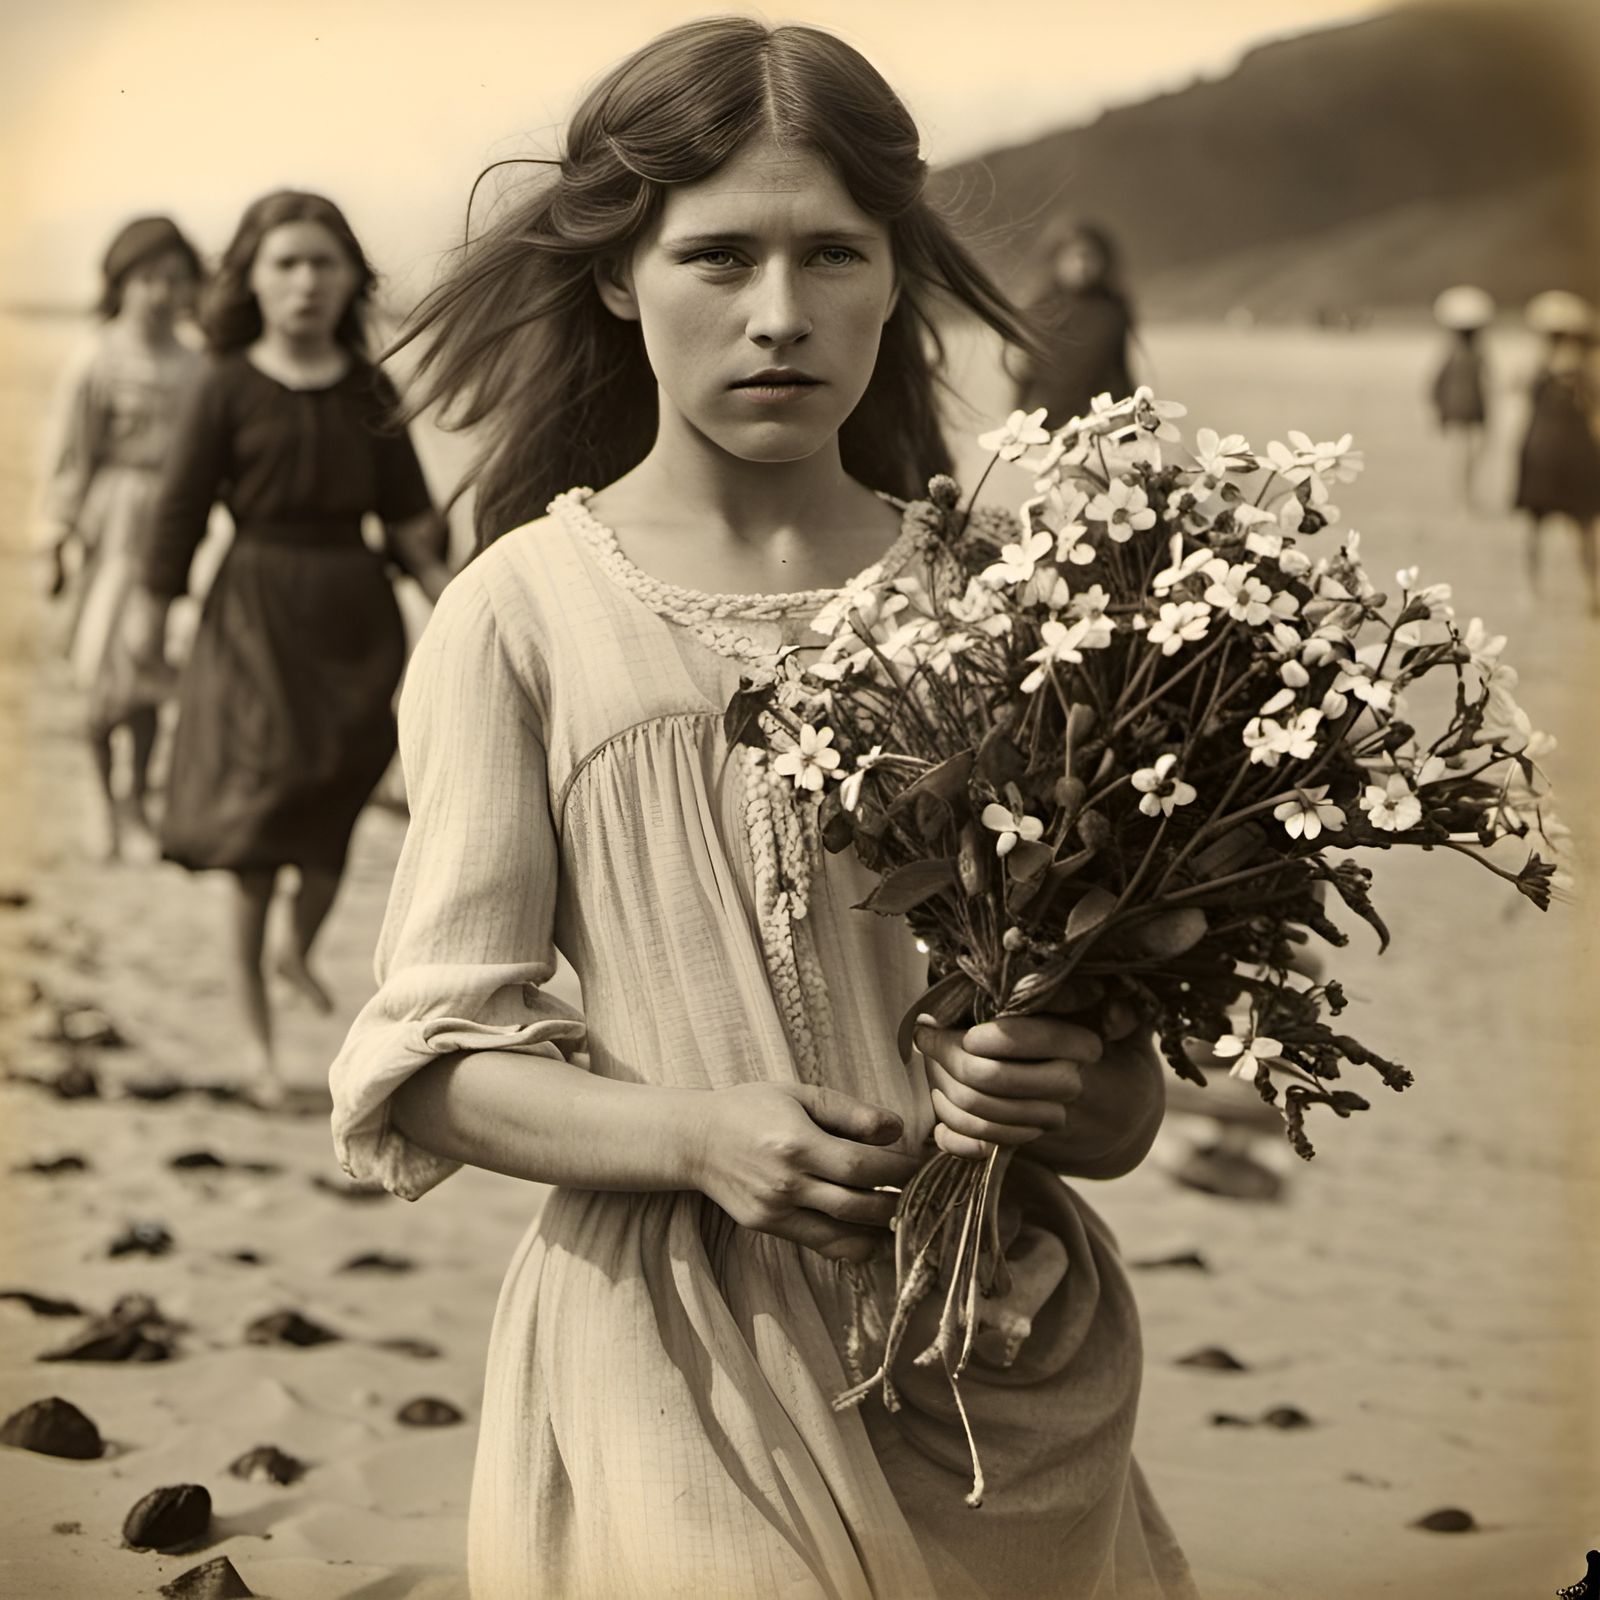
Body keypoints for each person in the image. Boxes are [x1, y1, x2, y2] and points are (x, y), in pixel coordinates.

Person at [330, 21, 1196, 1600]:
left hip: (994, 1365)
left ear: (896, 273)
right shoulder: (523, 614)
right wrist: (690, 1134)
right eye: (718, 256)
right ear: (620, 276)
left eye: (834, 255)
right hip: (673, 1362)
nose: (781, 315)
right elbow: (429, 1069)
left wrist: (1057, 1086)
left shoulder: (1010, 608)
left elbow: (1125, 1114)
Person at [128, 190, 452, 1100]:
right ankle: (258, 1051)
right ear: (252, 279)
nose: (306, 282)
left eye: (323, 262)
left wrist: (460, 605)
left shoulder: (369, 389)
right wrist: (149, 617)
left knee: (333, 803)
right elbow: (178, 513)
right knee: (258, 828)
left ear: (350, 278)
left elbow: (412, 521)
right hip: (254, 615)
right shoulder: (223, 384)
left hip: (354, 622)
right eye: (286, 263)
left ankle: (296, 950)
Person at [39, 216, 203, 861]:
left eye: (175, 280)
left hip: (176, 527)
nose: (161, 294)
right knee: (102, 668)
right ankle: (103, 801)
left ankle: (137, 800)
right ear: (121, 283)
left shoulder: (197, 363)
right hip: (109, 530)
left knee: (151, 668)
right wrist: (57, 538)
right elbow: (69, 456)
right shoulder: (97, 357)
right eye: (147, 279)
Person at [1514, 307, 1600, 615]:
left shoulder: (1585, 376)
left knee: (1584, 529)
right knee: (1538, 528)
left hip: (1572, 458)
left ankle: (1591, 591)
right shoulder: (1541, 372)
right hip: (1547, 457)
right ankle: (1533, 589)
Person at [1013, 220, 1137, 427]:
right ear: (1055, 260)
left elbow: (1120, 368)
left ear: (1105, 260)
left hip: (1101, 417)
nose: (1081, 266)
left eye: (1089, 257)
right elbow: (1026, 371)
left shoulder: (1114, 308)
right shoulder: (1040, 307)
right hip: (1048, 417)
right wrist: (1018, 418)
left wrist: (1131, 413)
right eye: (1072, 257)